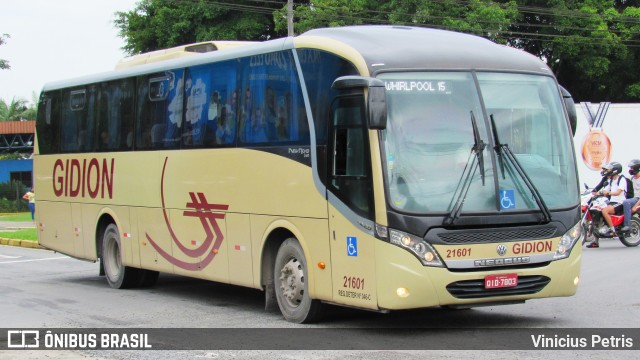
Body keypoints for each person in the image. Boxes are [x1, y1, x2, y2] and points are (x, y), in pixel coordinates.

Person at [588, 162, 627, 248]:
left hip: (619, 202)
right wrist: (594, 193)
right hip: (611, 202)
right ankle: (596, 240)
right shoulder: (611, 180)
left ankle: (613, 231)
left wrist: (608, 193)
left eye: (610, 169)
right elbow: (604, 190)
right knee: (597, 211)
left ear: (615, 170)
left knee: (604, 211)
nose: (608, 170)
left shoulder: (622, 179)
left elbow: (618, 192)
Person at [620, 159, 640, 232]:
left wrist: (635, 206)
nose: (631, 169)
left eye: (632, 168)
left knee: (626, 202)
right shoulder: (630, 178)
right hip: (633, 199)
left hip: (637, 199)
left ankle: (627, 225)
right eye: (630, 168)